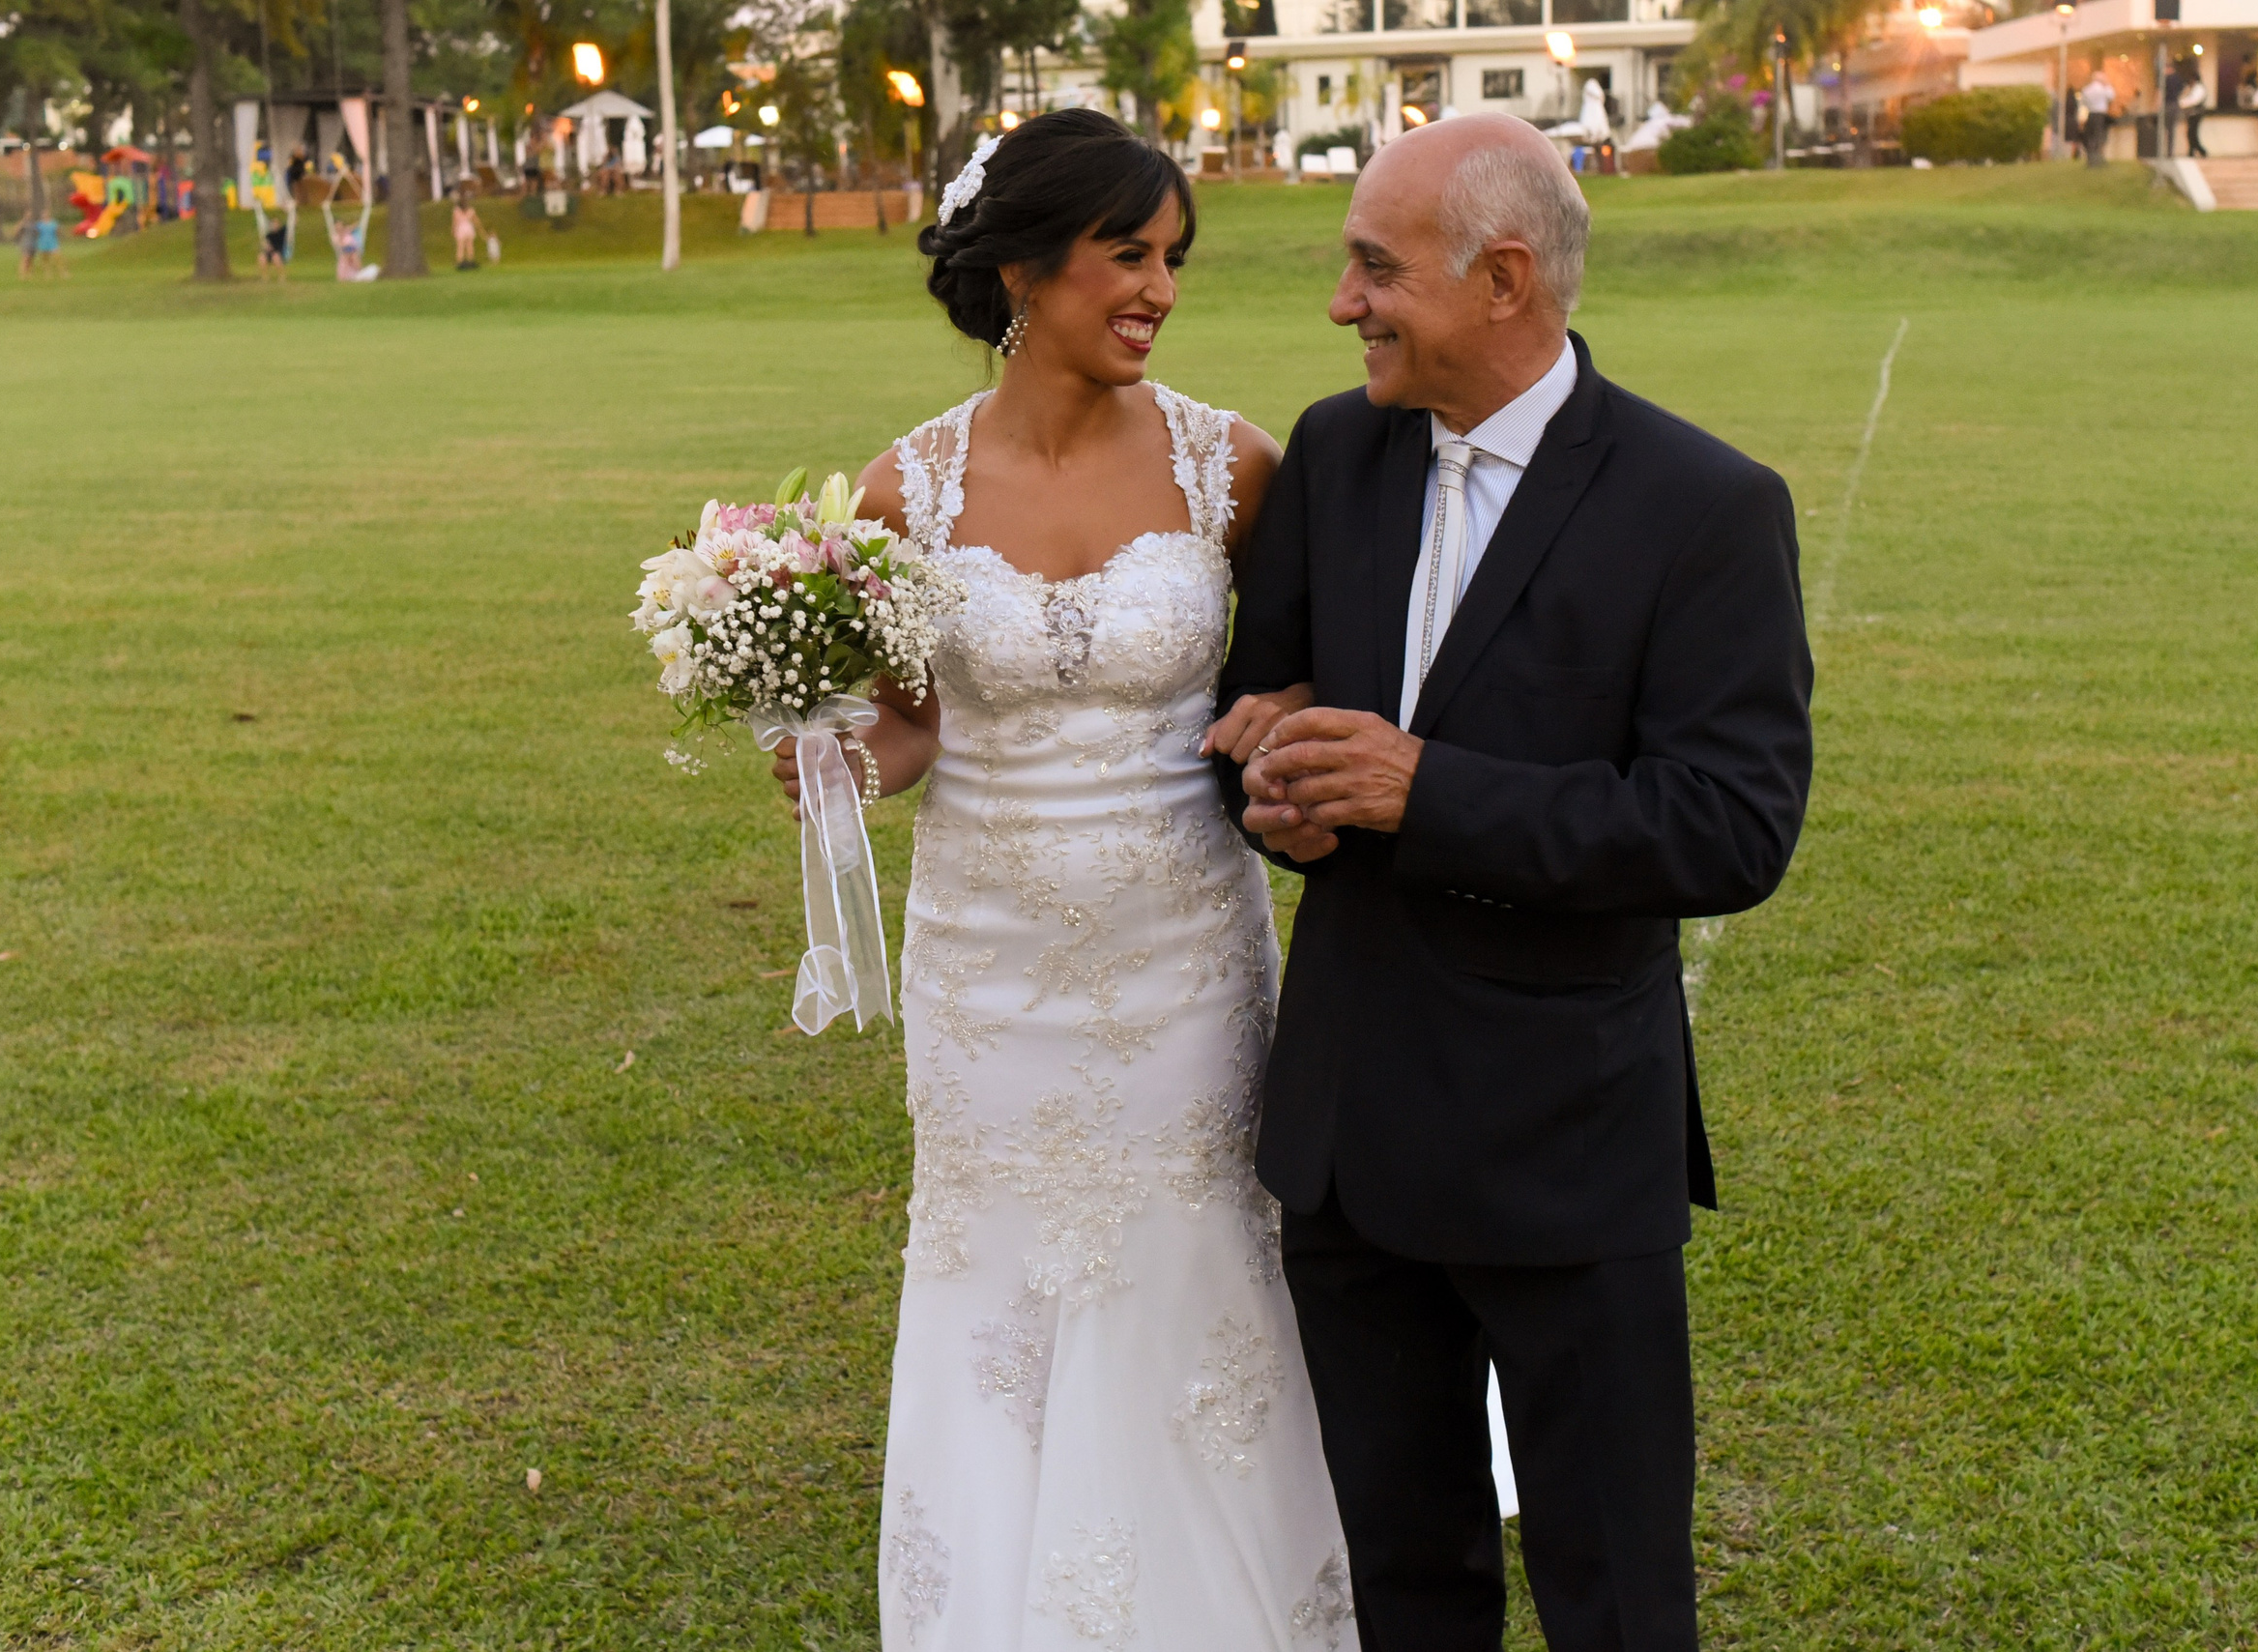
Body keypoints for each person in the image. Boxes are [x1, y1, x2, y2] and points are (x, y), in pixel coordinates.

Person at [1217, 112, 1813, 1649]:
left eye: (1372, 267)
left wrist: (1430, 792)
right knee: (1406, 1591)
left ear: (1503, 275)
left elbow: (1728, 829)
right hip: (1350, 1145)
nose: (1343, 304)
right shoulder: (1338, 450)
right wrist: (1268, 786)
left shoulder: (1706, 507)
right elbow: (1256, 708)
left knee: (1617, 1599)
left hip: (1565, 1153)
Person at [770, 107, 1356, 1650]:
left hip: (1183, 960)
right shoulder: (903, 494)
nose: (1159, 288)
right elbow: (908, 730)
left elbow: (1302, 680)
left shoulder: (1235, 466)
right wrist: (833, 761)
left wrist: (1283, 721)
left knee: (1195, 1257)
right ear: (1024, 268)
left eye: (1175, 259)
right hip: (989, 970)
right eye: (1127, 255)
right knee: (1003, 1285)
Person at [2080, 69, 2118, 167]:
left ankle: (2091, 159)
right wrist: (2108, 84)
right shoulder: (2103, 89)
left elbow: (2084, 102)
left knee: (2091, 137)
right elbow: (2111, 96)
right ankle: (2098, 158)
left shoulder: (2086, 89)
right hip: (2101, 115)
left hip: (2091, 114)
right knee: (2099, 137)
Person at [2179, 62, 2210, 158]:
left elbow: (2193, 100)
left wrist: (2181, 103)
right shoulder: (2192, 88)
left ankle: (2201, 151)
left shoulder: (2199, 88)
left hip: (2196, 113)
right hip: (2191, 114)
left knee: (2193, 133)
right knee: (2190, 133)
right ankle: (2191, 151)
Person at [451, 197, 480, 270]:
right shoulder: (471, 210)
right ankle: (471, 261)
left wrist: (453, 230)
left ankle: (460, 262)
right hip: (469, 228)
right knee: (470, 246)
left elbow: (454, 222)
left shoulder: (456, 211)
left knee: (460, 247)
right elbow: (475, 220)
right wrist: (479, 227)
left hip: (461, 228)